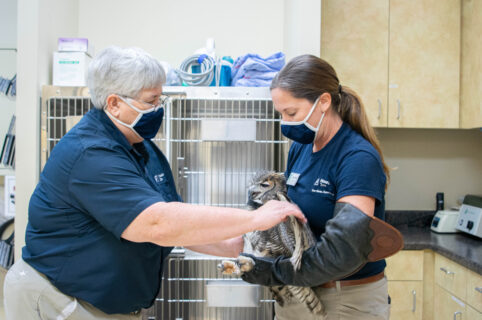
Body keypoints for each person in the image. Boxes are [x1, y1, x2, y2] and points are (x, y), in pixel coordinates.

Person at [3, 47, 305, 320]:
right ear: (114, 103)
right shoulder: (91, 154)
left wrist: (242, 246)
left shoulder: (141, 146)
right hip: (59, 298)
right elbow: (156, 223)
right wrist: (254, 218)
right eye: (151, 101)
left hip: (106, 303)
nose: (159, 108)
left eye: (160, 98)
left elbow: (175, 227)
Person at [240, 55, 401, 320]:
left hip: (345, 299)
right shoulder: (301, 148)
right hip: (299, 293)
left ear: (324, 101)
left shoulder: (357, 158)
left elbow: (343, 250)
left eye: (291, 113)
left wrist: (274, 271)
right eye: (281, 114)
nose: (285, 123)